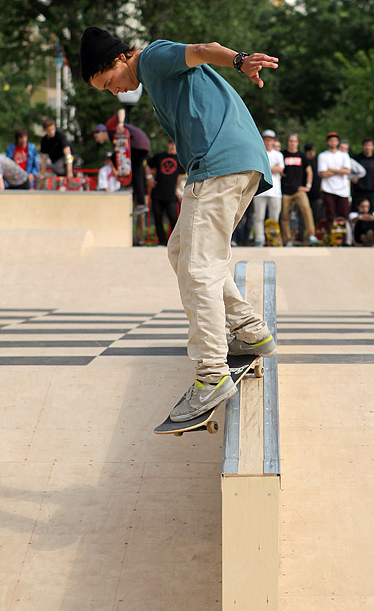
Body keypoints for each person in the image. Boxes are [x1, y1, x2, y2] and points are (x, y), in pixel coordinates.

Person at [80, 25, 278, 422]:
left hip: (220, 166)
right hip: (237, 164)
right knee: (183, 250)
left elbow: (205, 48)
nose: (113, 91)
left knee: (198, 267)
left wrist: (239, 60)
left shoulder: (152, 58)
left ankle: (211, 374)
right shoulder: (155, 75)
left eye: (109, 82)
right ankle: (250, 330)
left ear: (120, 59)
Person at [280, 133, 318, 245]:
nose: (292, 143)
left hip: (298, 190)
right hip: (285, 191)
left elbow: (309, 171)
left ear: (297, 143)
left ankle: (311, 234)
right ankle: (287, 240)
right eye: (290, 141)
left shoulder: (302, 156)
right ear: (287, 142)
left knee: (307, 209)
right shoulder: (282, 154)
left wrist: (308, 186)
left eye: (294, 141)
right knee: (284, 215)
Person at [147, 139, 185, 246]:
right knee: (158, 219)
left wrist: (176, 189)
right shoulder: (160, 156)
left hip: (171, 195)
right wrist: (149, 177)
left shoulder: (180, 159)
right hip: (157, 193)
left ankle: (176, 243)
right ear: (168, 145)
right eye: (171, 144)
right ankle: (162, 241)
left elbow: (180, 177)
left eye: (174, 144)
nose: (172, 146)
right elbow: (147, 165)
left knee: (174, 219)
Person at [252, 130, 284, 247]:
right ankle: (260, 239)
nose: (268, 142)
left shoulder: (278, 154)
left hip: (275, 191)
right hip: (260, 190)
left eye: (270, 140)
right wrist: (273, 168)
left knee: (274, 217)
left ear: (273, 141)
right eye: (266, 139)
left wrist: (267, 168)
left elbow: (280, 169)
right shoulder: (258, 152)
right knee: (259, 216)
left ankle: (273, 238)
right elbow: (257, 168)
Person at [317, 132, 352, 226]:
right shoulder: (323, 156)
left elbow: (348, 171)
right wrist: (340, 171)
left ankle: (343, 237)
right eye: (331, 141)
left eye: (335, 141)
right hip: (328, 189)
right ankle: (329, 236)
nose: (333, 143)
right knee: (330, 215)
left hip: (343, 190)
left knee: (343, 215)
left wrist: (331, 170)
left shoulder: (344, 155)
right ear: (327, 142)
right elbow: (323, 173)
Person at [351, 137, 374, 213]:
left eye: (369, 145)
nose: (367, 147)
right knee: (356, 211)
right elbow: (350, 171)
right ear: (363, 146)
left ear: (373, 147)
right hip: (359, 190)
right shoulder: (356, 158)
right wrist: (352, 178)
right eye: (366, 145)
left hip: (372, 189)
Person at [304, 143, 324, 224]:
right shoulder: (303, 160)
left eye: (313, 151)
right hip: (305, 192)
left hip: (317, 192)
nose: (312, 154)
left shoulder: (318, 160)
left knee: (317, 214)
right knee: (305, 213)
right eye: (309, 152)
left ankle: (316, 231)